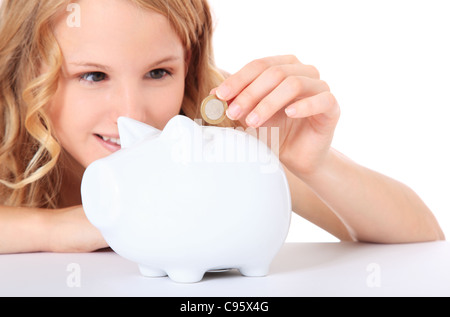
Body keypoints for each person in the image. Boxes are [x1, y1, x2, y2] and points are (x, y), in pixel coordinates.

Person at [0, 0, 444, 254]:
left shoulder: (214, 130)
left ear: (188, 66)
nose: (131, 113)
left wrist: (315, 165)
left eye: (158, 73)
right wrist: (66, 228)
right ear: (25, 72)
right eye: (93, 76)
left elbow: (423, 237)